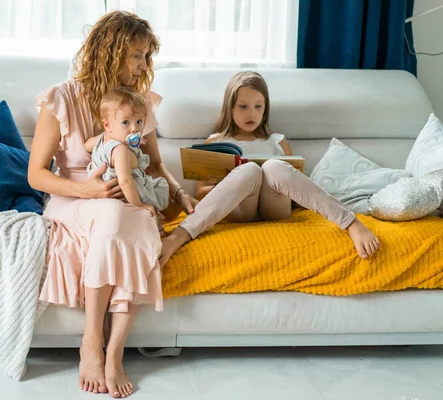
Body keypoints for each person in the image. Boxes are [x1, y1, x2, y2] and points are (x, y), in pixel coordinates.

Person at [27, 10, 197, 398]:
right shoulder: (61, 98)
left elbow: (154, 164)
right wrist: (91, 192)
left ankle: (115, 352)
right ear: (110, 51)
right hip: (74, 196)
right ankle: (92, 342)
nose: (143, 66)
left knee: (132, 218)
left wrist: (177, 191)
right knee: (114, 214)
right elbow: (36, 175)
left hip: (128, 199)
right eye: (136, 55)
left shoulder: (138, 104)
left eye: (146, 57)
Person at [159, 71, 380, 266]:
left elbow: (297, 188)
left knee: (274, 167)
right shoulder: (216, 142)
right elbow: (201, 194)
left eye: (258, 107)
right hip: (238, 208)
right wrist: (226, 184)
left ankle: (350, 223)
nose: (251, 113)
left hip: (275, 206)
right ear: (230, 107)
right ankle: (179, 236)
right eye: (243, 106)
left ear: (266, 109)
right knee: (249, 171)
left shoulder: (277, 141)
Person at [85, 87, 169, 233]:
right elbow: (125, 181)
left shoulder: (102, 139)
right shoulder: (120, 149)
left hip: (106, 199)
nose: (134, 129)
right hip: (127, 198)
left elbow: (86, 145)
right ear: (107, 125)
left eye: (139, 121)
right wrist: (140, 205)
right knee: (155, 206)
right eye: (126, 122)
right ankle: (158, 236)